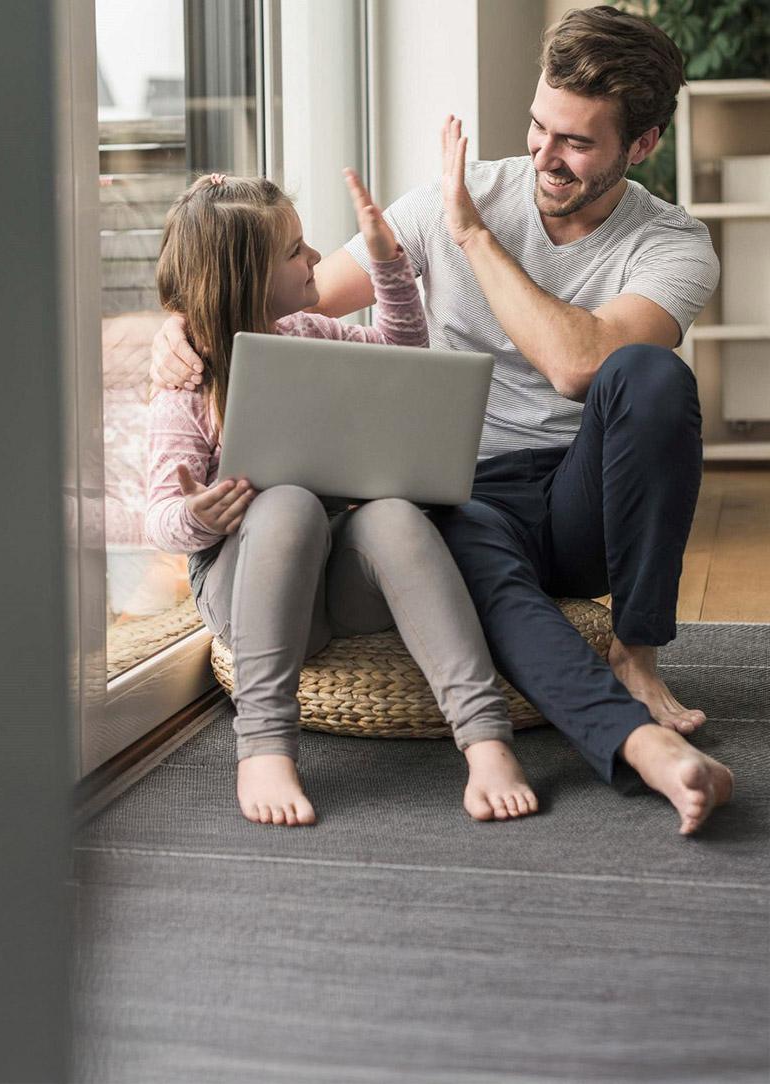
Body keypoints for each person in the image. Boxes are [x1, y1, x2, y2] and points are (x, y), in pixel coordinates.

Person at [150, 7, 735, 835]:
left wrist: (470, 236)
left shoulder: (672, 243)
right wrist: (179, 326)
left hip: (582, 501)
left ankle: (637, 654)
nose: (544, 154)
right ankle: (642, 749)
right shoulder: (448, 197)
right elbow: (287, 304)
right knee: (477, 571)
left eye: (578, 142)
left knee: (651, 373)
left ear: (639, 147)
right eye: (539, 127)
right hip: (460, 499)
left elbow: (582, 366)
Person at [146, 169, 539, 827]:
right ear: (246, 273)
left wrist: (387, 264)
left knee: (392, 515)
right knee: (287, 503)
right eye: (295, 250)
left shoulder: (308, 333)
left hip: (334, 585)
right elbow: (161, 516)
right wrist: (194, 515)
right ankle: (265, 745)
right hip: (250, 595)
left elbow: (401, 357)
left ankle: (484, 736)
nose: (316, 258)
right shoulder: (189, 384)